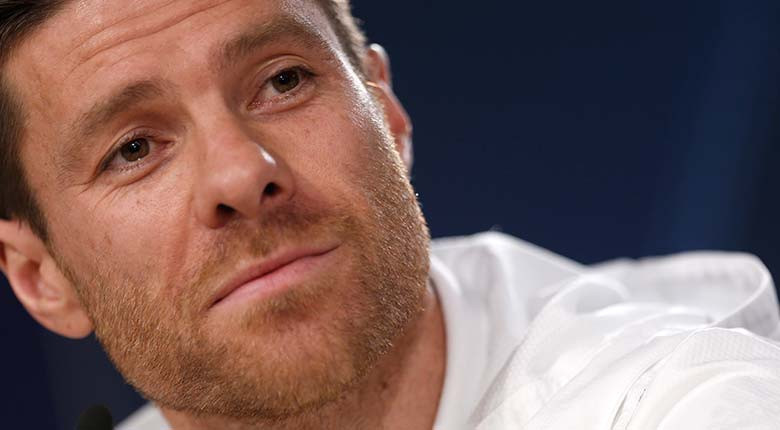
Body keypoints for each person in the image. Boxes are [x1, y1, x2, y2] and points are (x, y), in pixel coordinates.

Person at [0, 1, 778, 429]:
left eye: (282, 81)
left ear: (388, 113)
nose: (242, 172)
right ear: (40, 277)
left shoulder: (684, 404)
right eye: (134, 149)